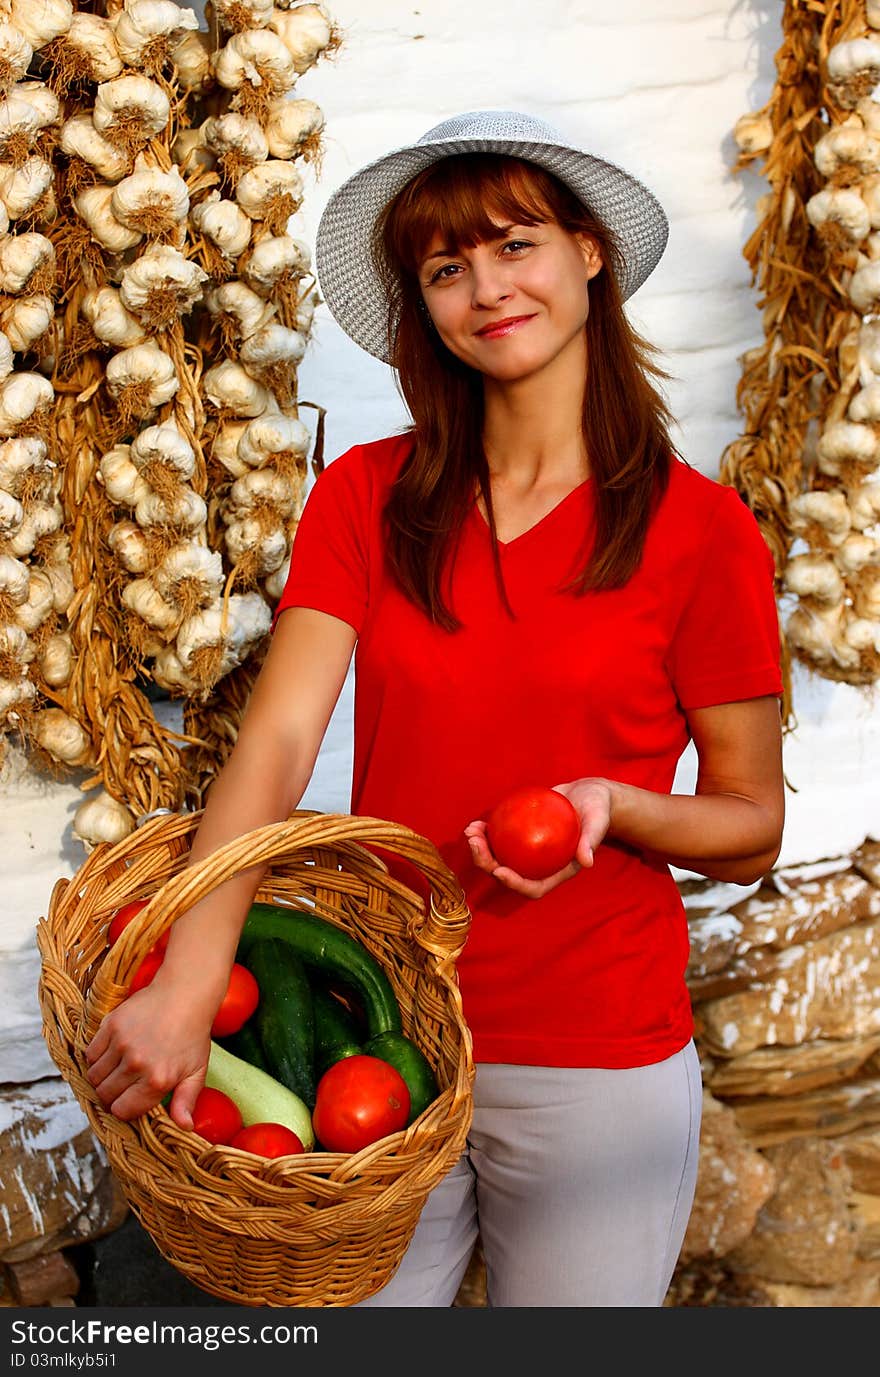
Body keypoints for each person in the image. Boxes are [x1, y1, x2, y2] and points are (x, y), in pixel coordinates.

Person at [85, 109, 785, 1307]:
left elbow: (750, 825)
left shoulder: (698, 532)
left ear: (589, 252)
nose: (487, 290)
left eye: (515, 245)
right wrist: (193, 970)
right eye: (446, 270)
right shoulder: (368, 495)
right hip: (385, 1032)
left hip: (594, 1057)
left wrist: (610, 806)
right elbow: (284, 737)